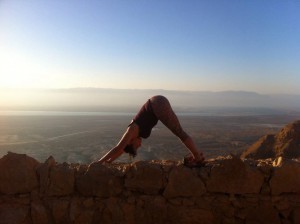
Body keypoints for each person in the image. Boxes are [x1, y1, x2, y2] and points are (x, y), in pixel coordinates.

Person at [98, 95, 205, 165]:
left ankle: (197, 157)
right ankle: (197, 155)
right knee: (179, 132)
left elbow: (118, 148)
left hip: (157, 104)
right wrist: (110, 161)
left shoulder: (131, 130)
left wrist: (99, 162)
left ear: (130, 141)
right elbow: (122, 150)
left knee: (179, 133)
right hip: (158, 102)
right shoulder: (134, 134)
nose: (139, 145)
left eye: (136, 146)